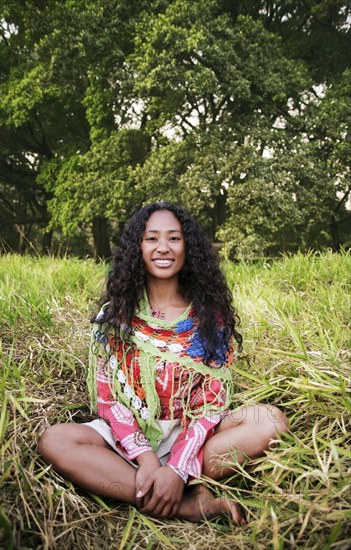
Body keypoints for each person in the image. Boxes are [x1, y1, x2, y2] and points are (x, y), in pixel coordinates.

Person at [38, 202, 289, 524]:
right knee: (55, 440)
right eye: (152, 238)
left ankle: (178, 480)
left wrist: (178, 466)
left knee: (269, 420)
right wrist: (147, 459)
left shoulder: (212, 319)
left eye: (174, 238)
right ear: (137, 248)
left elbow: (212, 404)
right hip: (127, 438)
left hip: (196, 438)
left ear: (188, 248)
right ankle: (185, 503)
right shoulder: (115, 317)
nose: (163, 248)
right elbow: (108, 400)